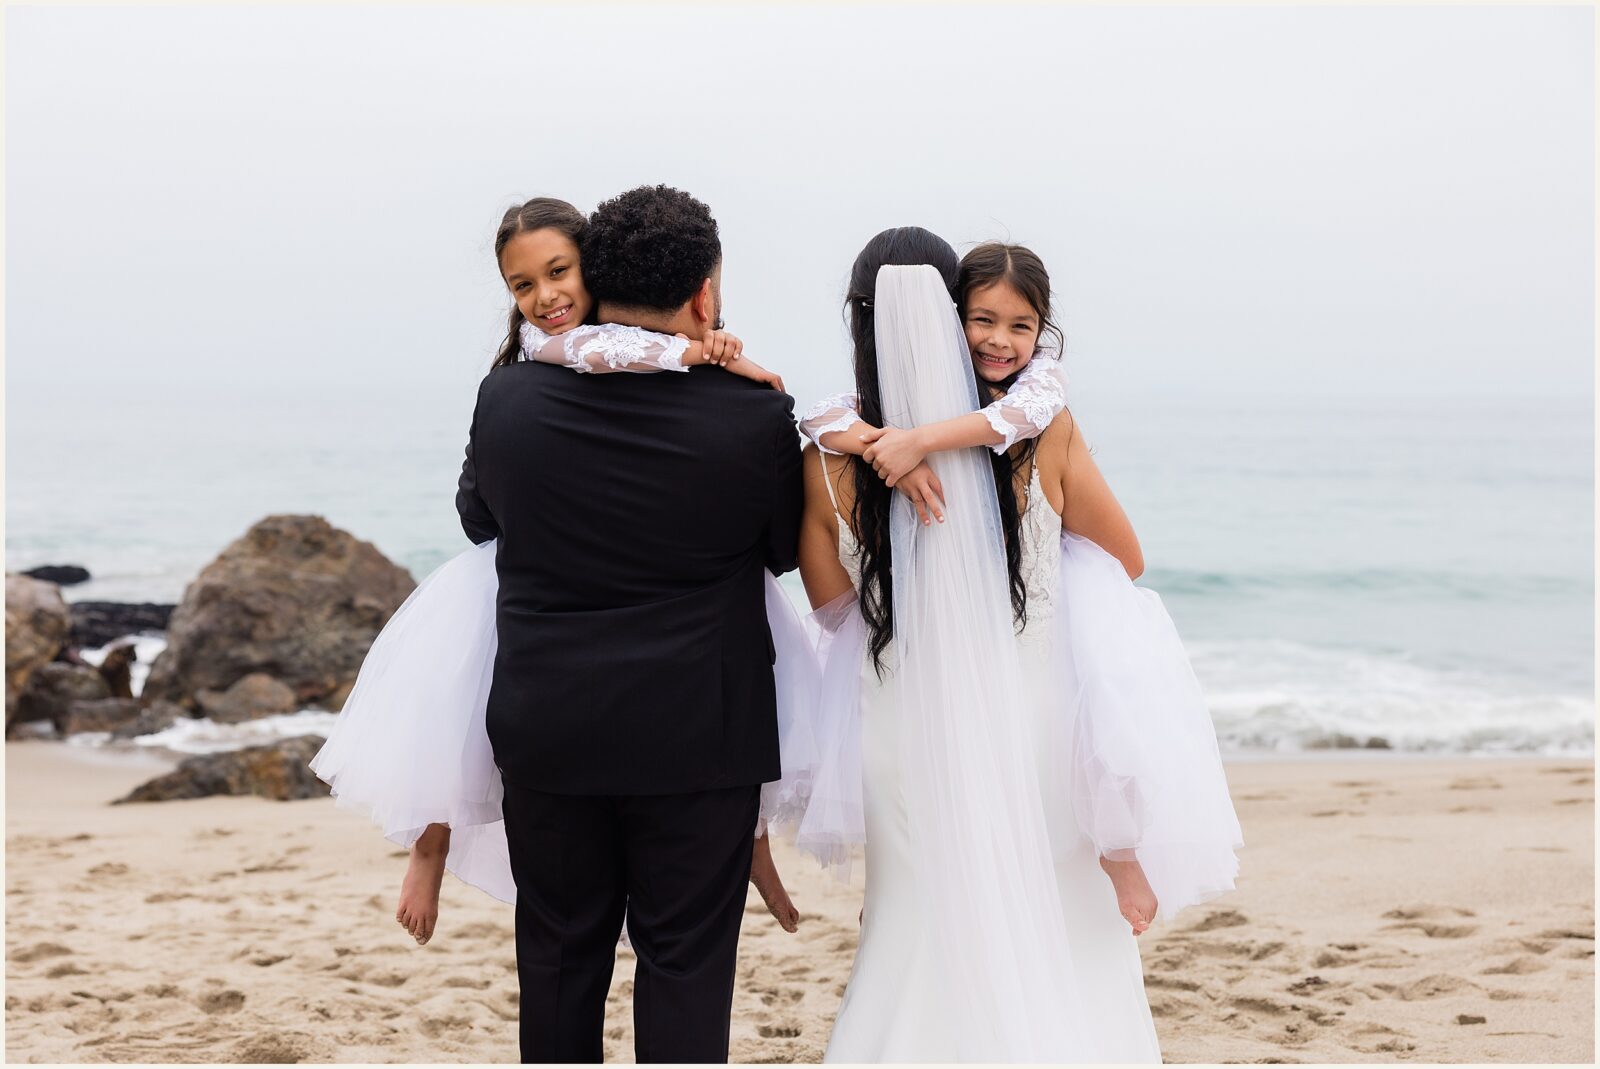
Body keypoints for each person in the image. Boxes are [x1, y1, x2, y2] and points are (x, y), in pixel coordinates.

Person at [773, 227, 1239, 1060]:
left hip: (900, 728)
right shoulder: (1037, 433)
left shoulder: (825, 464)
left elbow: (833, 606)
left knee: (918, 924)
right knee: (1059, 921)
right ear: (952, 318)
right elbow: (1124, 556)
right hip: (1029, 720)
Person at [455, 185, 805, 1063]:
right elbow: (780, 550)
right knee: (686, 962)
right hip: (699, 738)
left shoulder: (507, 400)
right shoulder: (755, 414)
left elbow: (477, 517)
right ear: (704, 294)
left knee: (561, 959)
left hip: (551, 729)